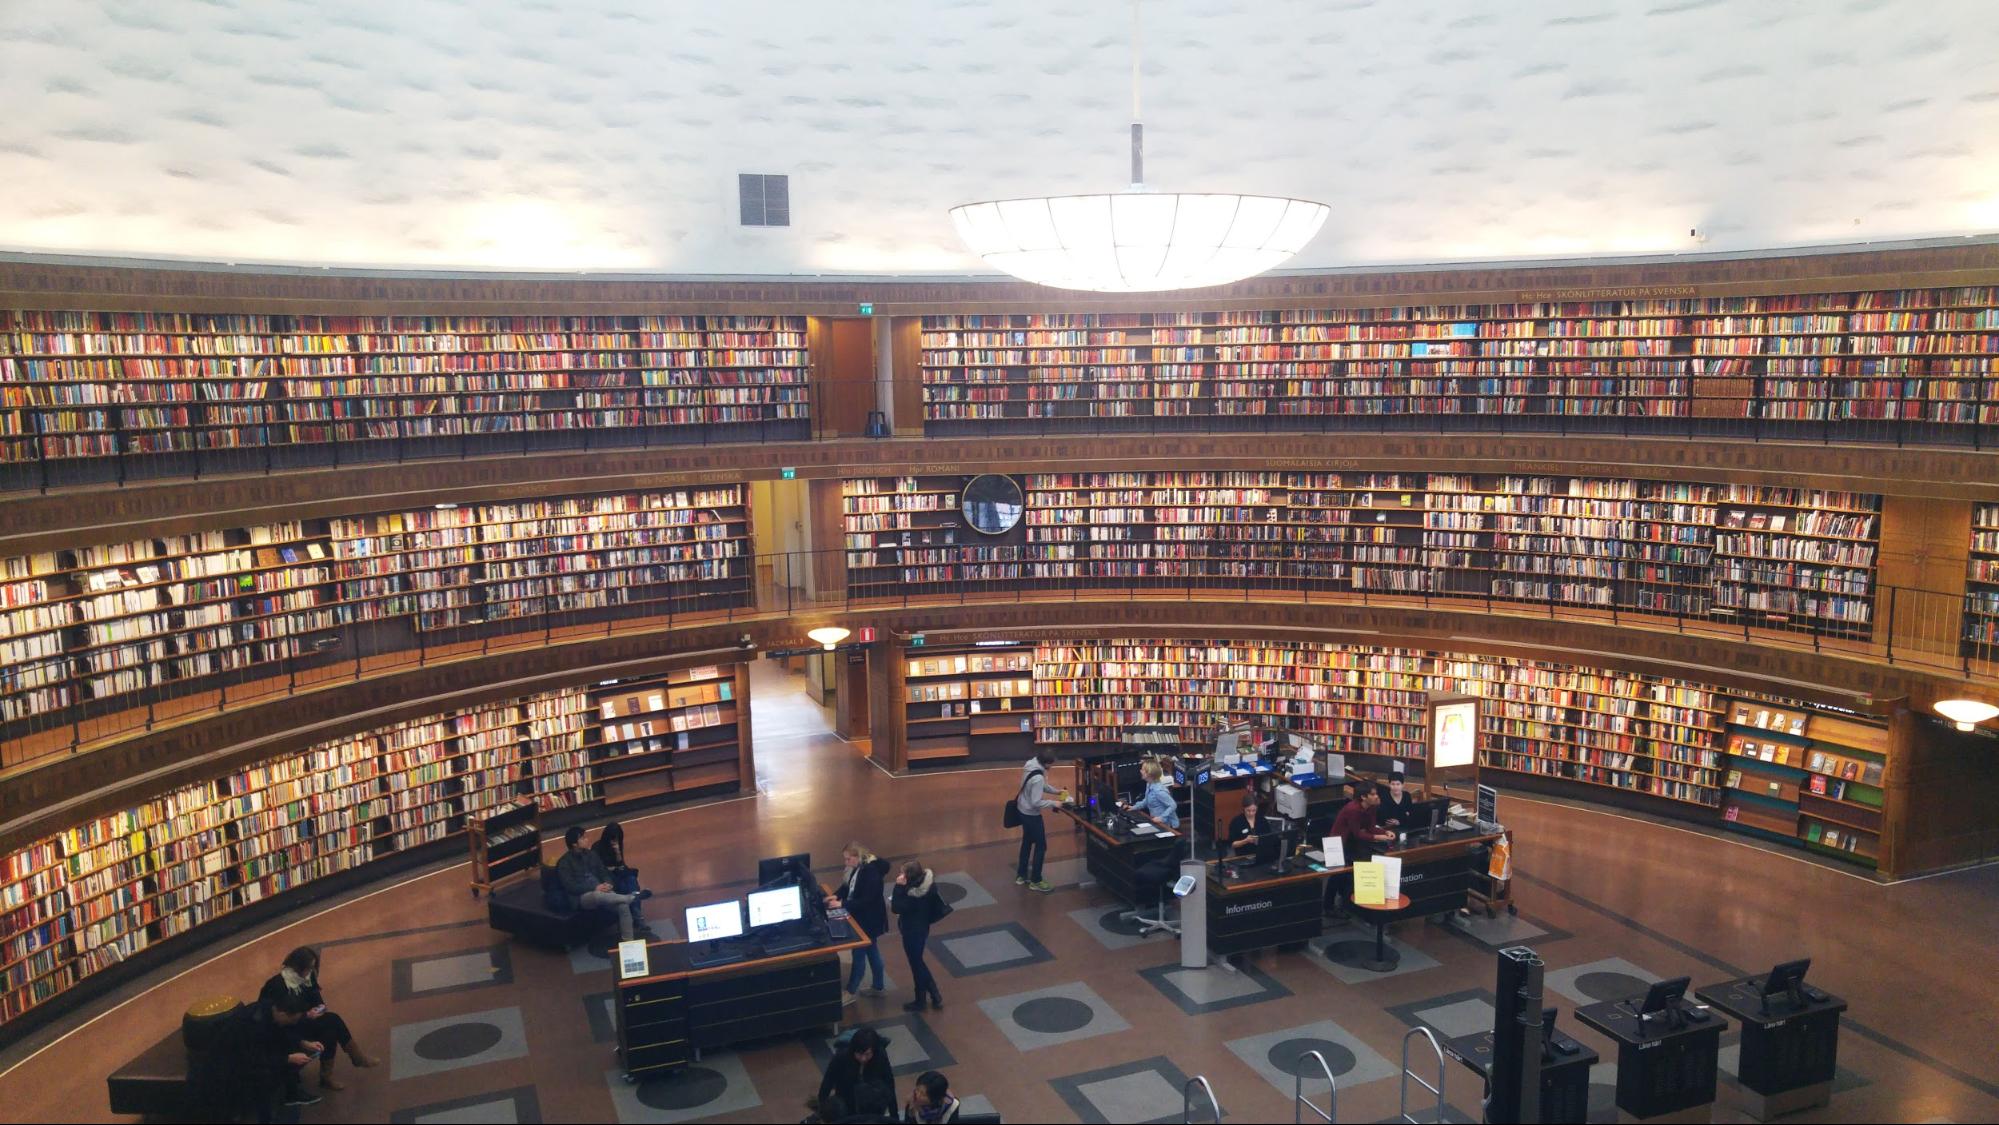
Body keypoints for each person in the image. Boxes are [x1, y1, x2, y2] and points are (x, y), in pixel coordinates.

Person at [258, 946, 379, 1091]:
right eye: (308, 968)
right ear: (298, 966)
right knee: (331, 1024)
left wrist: (319, 1008)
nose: (310, 972)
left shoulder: (308, 978)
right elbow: (279, 1017)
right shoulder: (277, 985)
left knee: (331, 1024)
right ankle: (352, 1060)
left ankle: (334, 1072)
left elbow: (316, 998)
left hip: (304, 1022)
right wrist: (305, 1016)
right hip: (288, 1028)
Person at [207, 989, 321, 1115]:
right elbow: (252, 1057)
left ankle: (291, 1091)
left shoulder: (270, 1008)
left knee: (287, 1050)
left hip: (250, 1051)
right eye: (293, 1020)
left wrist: (303, 1042)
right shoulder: (251, 1026)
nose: (294, 1023)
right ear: (283, 1014)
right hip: (230, 1061)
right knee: (265, 1073)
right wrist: (287, 1059)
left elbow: (282, 1032)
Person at [557, 825, 652, 941]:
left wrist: (608, 883)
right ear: (574, 844)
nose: (586, 840)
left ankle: (628, 942)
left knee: (623, 906)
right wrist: (595, 887)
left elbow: (604, 872)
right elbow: (571, 886)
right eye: (582, 838)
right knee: (598, 895)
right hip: (582, 896)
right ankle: (629, 897)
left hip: (603, 890)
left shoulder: (591, 854)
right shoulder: (564, 862)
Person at [826, 841, 891, 1003]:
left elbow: (866, 900)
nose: (846, 863)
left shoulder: (871, 873)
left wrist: (842, 904)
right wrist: (837, 895)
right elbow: (848, 887)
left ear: (857, 857)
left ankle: (851, 992)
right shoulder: (859, 869)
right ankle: (878, 986)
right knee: (872, 951)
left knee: (859, 954)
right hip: (865, 918)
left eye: (848, 859)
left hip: (869, 920)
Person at [891, 860, 945, 1012]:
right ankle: (933, 995)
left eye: (902, 872)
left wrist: (898, 887)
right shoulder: (927, 887)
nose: (899, 875)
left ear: (908, 876)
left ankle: (923, 998)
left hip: (912, 931)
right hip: (922, 928)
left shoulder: (913, 894)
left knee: (916, 964)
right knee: (917, 962)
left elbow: (896, 907)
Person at [1013, 751, 1068, 892]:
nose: (1052, 767)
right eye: (1052, 764)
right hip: (1031, 814)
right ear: (1047, 763)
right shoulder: (1038, 777)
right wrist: (1054, 803)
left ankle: (1021, 875)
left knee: (1027, 842)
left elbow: (1041, 786)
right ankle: (1036, 880)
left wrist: (1056, 791)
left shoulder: (1031, 765)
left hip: (1022, 809)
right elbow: (1036, 802)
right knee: (1041, 846)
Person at [816, 1026, 895, 1122]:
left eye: (867, 1054)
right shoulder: (841, 1057)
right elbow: (826, 1085)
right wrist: (822, 1113)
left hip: (871, 1108)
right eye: (859, 1054)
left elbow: (889, 1084)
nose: (863, 1058)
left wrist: (894, 1116)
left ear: (874, 1051)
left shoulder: (880, 1057)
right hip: (846, 1105)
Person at [592, 821, 649, 927]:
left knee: (631, 879)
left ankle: (636, 911)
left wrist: (618, 852)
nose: (614, 841)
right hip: (606, 876)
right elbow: (596, 868)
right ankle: (636, 914)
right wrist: (610, 868)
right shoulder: (597, 847)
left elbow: (621, 864)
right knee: (623, 886)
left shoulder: (617, 845)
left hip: (618, 872)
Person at [1120, 759, 1181, 829]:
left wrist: (1161, 817)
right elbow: (1146, 800)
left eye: (1142, 770)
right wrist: (1134, 807)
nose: (1140, 771)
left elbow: (1173, 805)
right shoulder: (1149, 784)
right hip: (1157, 822)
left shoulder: (1159, 791)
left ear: (1149, 773)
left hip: (1167, 825)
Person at [1227, 791, 1271, 862]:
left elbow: (1269, 837)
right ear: (1243, 808)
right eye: (1248, 810)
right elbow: (1232, 844)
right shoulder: (1236, 822)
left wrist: (1261, 840)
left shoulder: (1262, 820)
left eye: (1254, 810)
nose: (1251, 813)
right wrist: (1245, 841)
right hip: (1243, 856)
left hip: (1260, 854)